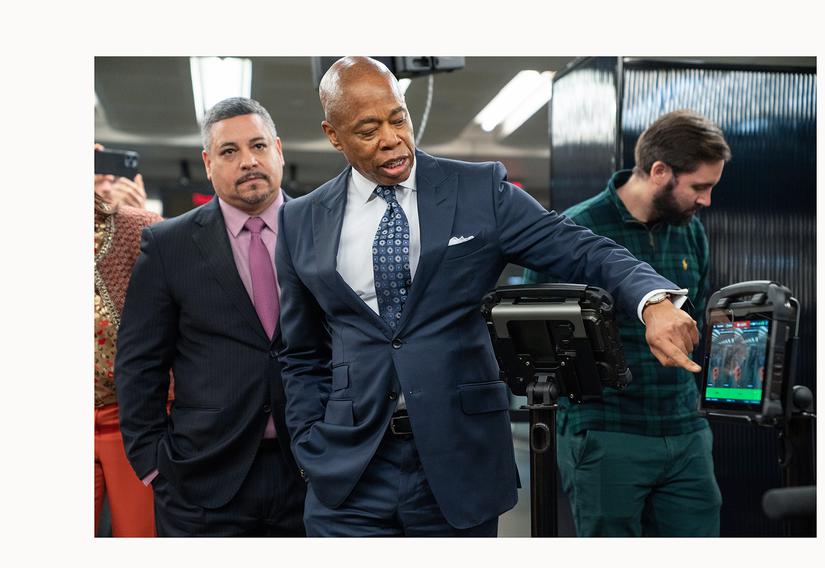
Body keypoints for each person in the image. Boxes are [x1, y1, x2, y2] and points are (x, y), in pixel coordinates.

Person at [275, 57, 702, 537]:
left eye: (398, 118)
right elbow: (301, 352)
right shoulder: (300, 221)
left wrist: (653, 300)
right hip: (349, 471)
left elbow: (581, 248)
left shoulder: (479, 192)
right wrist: (310, 443)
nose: (392, 138)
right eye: (368, 129)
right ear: (333, 135)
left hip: (460, 460)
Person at [525, 109, 731, 536]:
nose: (706, 200)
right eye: (700, 187)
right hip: (606, 432)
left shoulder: (689, 230)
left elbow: (695, 316)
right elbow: (538, 345)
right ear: (659, 171)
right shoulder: (575, 232)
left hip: (684, 428)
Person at [115, 98, 307, 536]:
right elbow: (138, 365)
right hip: (201, 483)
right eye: (229, 151)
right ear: (207, 162)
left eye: (258, 146)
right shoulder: (167, 246)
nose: (248, 161)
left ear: (278, 149)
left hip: (314, 474)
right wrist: (153, 467)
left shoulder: (323, 228)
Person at [94, 144, 162, 536]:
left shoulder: (141, 226)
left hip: (129, 414)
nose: (105, 177)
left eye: (110, 168)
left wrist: (134, 220)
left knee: (141, 534)